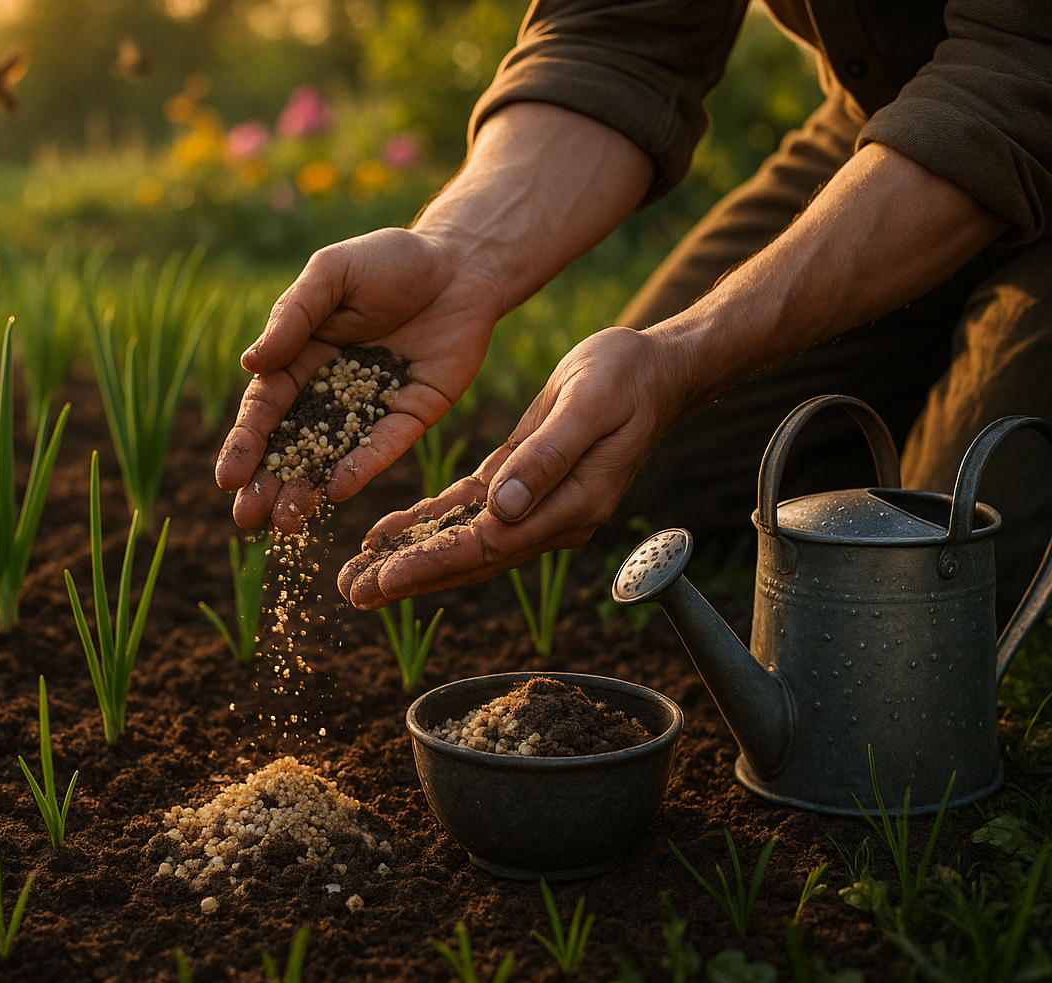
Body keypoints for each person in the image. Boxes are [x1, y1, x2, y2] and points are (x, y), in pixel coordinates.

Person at [213, 0, 1052, 619]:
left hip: (1021, 93)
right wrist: (461, 255)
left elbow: (1017, 73)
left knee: (937, 579)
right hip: (889, 124)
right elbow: (618, 36)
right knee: (644, 467)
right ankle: (923, 345)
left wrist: (684, 353)